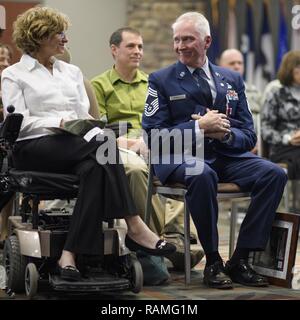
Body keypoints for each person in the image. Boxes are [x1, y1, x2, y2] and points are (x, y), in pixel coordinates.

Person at [1, 6, 175, 281]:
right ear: (40, 35)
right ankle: (135, 224)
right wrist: (58, 123)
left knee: (95, 167)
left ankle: (68, 254)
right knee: (103, 143)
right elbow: (19, 123)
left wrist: (80, 125)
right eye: (59, 33)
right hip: (34, 147)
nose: (65, 39)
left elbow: (84, 116)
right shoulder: (14, 75)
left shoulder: (71, 72)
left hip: (76, 146)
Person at [142, 11, 287, 289]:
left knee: (274, 174)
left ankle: (240, 259)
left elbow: (248, 134)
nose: (180, 46)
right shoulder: (161, 80)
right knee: (202, 173)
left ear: (207, 41)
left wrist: (226, 134)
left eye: (188, 39)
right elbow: (154, 136)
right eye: (177, 40)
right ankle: (212, 261)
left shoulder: (231, 79)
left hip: (225, 155)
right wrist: (199, 128)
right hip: (180, 158)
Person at [91, 27, 203, 271]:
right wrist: (132, 144)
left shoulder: (152, 83)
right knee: (141, 169)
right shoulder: (99, 86)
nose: (138, 51)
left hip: (154, 143)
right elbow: (100, 131)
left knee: (189, 165)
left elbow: (166, 122)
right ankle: (153, 246)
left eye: (140, 47)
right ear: (114, 50)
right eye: (131, 46)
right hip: (117, 147)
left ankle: (180, 238)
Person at [261, 51, 300, 210]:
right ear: (289, 70)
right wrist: (288, 138)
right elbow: (265, 130)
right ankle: (294, 212)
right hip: (283, 147)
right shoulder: (275, 90)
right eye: (298, 70)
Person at [219, 48, 262, 154]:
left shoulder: (254, 90)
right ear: (220, 65)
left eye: (240, 63)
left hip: (255, 144)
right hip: (229, 144)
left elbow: (262, 121)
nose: (237, 66)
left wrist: (258, 145)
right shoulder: (216, 91)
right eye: (232, 63)